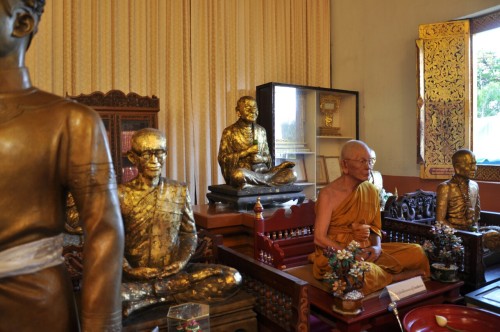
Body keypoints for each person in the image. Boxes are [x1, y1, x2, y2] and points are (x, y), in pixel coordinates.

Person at [0, 1, 124, 331]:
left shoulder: (71, 121)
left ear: (22, 23)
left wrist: (102, 326)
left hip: (35, 305)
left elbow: (104, 233)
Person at [119, 128, 242, 317]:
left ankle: (152, 298)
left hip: (174, 274)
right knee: (109, 295)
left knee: (231, 278)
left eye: (159, 152)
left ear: (166, 154)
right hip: (136, 277)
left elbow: (188, 234)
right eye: (146, 153)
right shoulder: (120, 194)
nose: (154, 160)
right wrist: (129, 270)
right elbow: (110, 244)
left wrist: (180, 263)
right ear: (133, 158)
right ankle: (161, 292)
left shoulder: (178, 190)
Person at [308, 140, 430, 295]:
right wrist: (349, 254)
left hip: (366, 251)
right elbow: (319, 238)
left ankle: (382, 276)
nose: (368, 166)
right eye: (362, 161)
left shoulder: (371, 191)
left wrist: (377, 247)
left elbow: (375, 227)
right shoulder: (328, 194)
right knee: (361, 273)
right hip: (337, 255)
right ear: (344, 165)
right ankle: (394, 278)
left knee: (417, 252)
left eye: (370, 161)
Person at [218, 95, 297, 189]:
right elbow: (222, 159)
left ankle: (253, 185)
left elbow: (268, 158)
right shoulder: (229, 132)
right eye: (248, 108)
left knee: (292, 174)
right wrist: (246, 152)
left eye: (255, 108)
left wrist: (261, 159)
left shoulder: (261, 131)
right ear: (238, 112)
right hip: (245, 173)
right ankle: (266, 182)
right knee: (238, 175)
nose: (253, 111)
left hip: (262, 171)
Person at [436, 149, 480, 231]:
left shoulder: (474, 186)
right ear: (457, 167)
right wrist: (458, 234)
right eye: (470, 165)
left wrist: (474, 231)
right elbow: (440, 221)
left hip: (472, 232)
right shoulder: (445, 188)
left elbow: (477, 215)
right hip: (454, 234)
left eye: (475, 164)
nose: (474, 168)